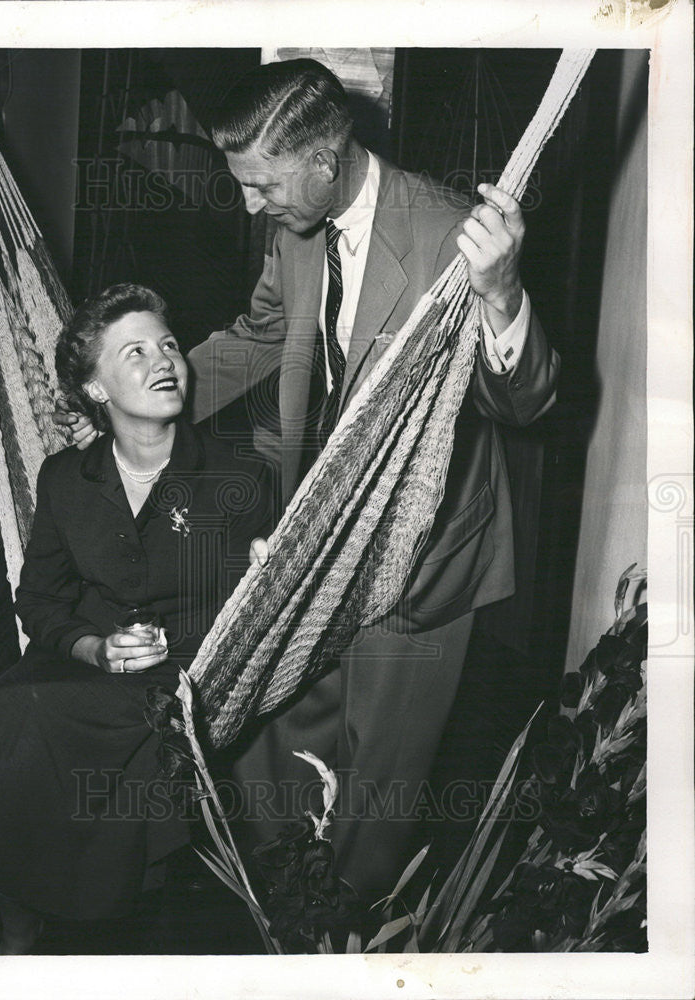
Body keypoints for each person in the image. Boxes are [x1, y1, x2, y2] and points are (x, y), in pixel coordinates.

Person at [57, 59, 559, 905]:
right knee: (284, 726)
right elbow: (261, 334)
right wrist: (130, 405)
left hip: (422, 552)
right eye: (242, 184)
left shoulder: (447, 238)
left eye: (261, 184)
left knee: (377, 788)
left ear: (326, 160)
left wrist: (503, 296)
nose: (250, 204)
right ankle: (283, 897)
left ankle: (345, 936)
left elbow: (524, 403)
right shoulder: (295, 225)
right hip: (309, 536)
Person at [0, 283, 273, 952]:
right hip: (77, 666)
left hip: (180, 682)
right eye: (135, 352)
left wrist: (270, 570)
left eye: (168, 345)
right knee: (4, 716)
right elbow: (38, 601)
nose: (163, 361)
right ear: (95, 390)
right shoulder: (66, 478)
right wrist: (95, 648)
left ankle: (10, 915)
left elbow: (257, 619)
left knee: (23, 721)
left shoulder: (240, 477)